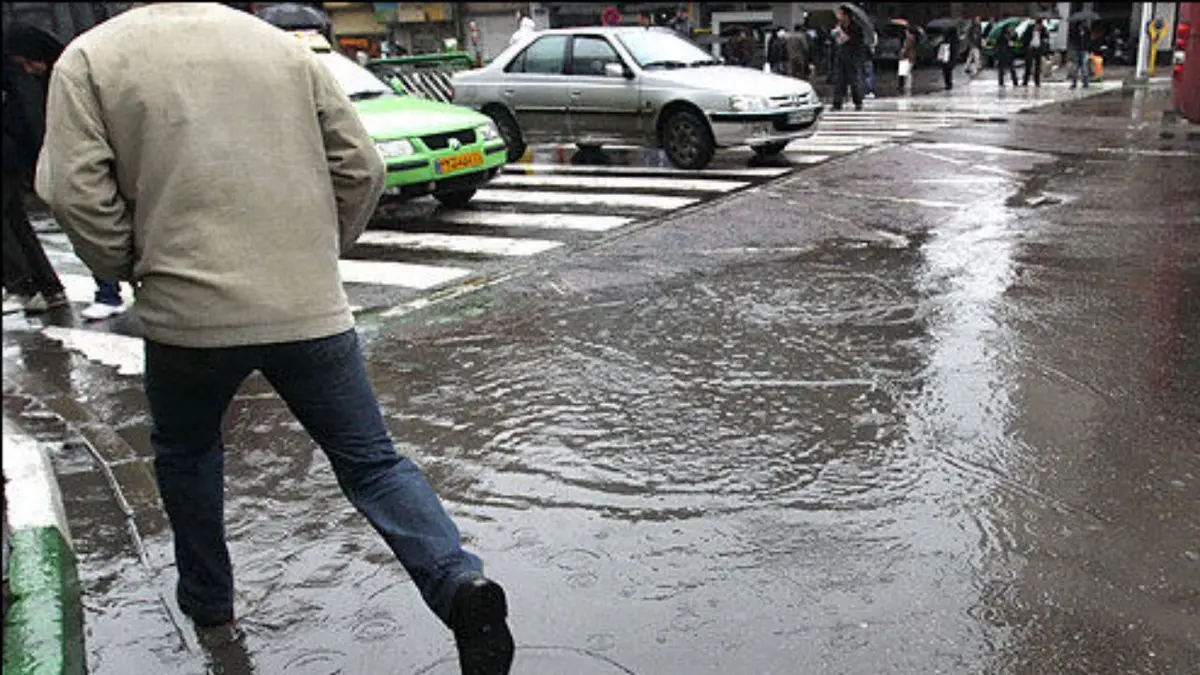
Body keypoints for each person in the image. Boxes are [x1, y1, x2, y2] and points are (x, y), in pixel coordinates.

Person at [35, 5, 515, 674]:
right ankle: (458, 584)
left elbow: (72, 192)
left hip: (188, 317)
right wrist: (315, 254)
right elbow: (362, 168)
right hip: (309, 308)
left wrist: (128, 261)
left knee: (188, 453)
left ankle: (209, 602)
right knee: (372, 462)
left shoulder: (91, 58)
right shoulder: (281, 48)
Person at [2, 23, 68, 315]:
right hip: (13, 153)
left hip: (9, 151)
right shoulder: (16, 57)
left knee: (12, 222)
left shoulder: (13, 60)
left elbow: (28, 111)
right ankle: (46, 287)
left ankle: (25, 287)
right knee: (15, 220)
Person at [831, 5, 866, 111]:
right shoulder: (839, 26)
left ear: (846, 15)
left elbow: (855, 42)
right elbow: (837, 42)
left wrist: (842, 34)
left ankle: (858, 102)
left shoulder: (856, 27)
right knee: (839, 81)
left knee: (854, 81)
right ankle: (837, 104)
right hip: (841, 57)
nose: (838, 16)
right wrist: (835, 34)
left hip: (852, 57)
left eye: (840, 13)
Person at [1022, 18, 1049, 87]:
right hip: (1030, 48)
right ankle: (1025, 81)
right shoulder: (1029, 29)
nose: (1039, 27)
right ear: (1036, 24)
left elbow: (1046, 37)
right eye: (1038, 26)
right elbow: (1024, 38)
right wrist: (1027, 45)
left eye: (1040, 26)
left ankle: (1037, 82)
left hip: (1038, 48)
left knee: (1038, 66)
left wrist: (1045, 36)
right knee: (1028, 65)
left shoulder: (1043, 29)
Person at [1068, 20, 1092, 89]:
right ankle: (1074, 83)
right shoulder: (1075, 31)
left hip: (1084, 50)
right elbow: (1072, 39)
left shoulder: (1087, 31)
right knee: (1075, 67)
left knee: (1084, 67)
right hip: (1077, 50)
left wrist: (1088, 49)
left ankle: (1085, 83)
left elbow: (1089, 40)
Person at [898, 24, 917, 94]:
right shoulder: (911, 37)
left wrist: (902, 52)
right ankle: (907, 85)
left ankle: (907, 86)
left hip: (907, 57)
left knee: (906, 73)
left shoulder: (909, 38)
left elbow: (905, 48)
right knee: (908, 72)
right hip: (910, 57)